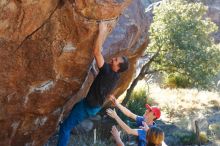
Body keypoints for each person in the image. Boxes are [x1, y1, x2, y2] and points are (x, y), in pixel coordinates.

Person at [57, 21, 129, 146]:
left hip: (88, 106)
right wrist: (94, 71)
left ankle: (67, 128)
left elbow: (96, 52)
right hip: (93, 106)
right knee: (75, 108)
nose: (113, 59)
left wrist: (102, 31)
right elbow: (103, 82)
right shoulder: (115, 76)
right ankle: (71, 123)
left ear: (118, 67)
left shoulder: (107, 70)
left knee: (64, 129)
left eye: (116, 60)